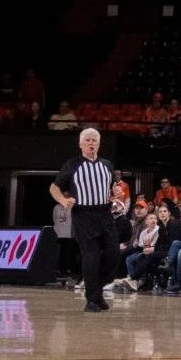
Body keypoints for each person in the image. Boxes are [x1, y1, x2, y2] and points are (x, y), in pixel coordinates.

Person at [50, 128, 114, 312]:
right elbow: (54, 188)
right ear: (80, 144)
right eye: (87, 140)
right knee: (91, 256)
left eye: (94, 140)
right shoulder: (72, 164)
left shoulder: (107, 165)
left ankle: (97, 291)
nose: (91, 143)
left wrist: (114, 194)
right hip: (83, 214)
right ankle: (92, 300)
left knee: (113, 254)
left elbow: (107, 188)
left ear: (99, 144)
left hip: (105, 213)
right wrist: (63, 201)